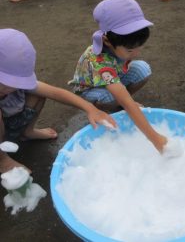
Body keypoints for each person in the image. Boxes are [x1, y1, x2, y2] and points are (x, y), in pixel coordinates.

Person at [0, 28, 116, 174]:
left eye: (17, 82)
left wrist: (90, 108)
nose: (12, 87)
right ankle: (2, 160)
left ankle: (27, 132)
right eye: (6, 83)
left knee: (38, 94)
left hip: (10, 124)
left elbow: (56, 93)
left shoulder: (15, 86)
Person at [68, 0, 167, 153]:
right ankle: (105, 108)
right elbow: (126, 100)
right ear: (107, 41)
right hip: (90, 89)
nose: (135, 53)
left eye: (139, 47)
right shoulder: (99, 61)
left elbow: (124, 84)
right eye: (130, 50)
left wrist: (127, 101)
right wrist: (156, 139)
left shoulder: (119, 45)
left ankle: (119, 102)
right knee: (110, 98)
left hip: (114, 78)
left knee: (143, 69)